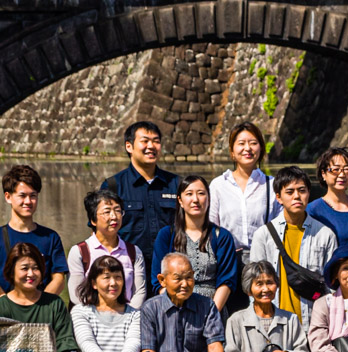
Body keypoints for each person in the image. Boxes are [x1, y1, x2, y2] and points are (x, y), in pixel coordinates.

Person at [249, 169, 338, 322]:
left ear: (309, 193)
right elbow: (254, 283)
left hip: (312, 322)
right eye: (289, 192)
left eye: (302, 191)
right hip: (274, 321)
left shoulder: (325, 235)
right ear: (278, 197)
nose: (297, 196)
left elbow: (332, 286)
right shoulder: (263, 235)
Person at [136, 253, 228, 352]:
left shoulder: (207, 305)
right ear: (162, 280)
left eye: (189, 277)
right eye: (177, 278)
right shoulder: (150, 308)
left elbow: (215, 347)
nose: (184, 284)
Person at [151, 175, 240, 312]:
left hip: (213, 308)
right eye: (189, 194)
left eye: (201, 193)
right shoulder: (167, 235)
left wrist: (211, 315)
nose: (195, 200)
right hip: (174, 309)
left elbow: (226, 281)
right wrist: (176, 308)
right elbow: (158, 281)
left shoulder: (222, 236)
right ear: (180, 200)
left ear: (209, 199)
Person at [0, 164, 66, 302]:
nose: (28, 201)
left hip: (40, 317)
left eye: (33, 196)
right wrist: (9, 305)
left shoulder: (50, 237)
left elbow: (59, 279)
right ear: (8, 197)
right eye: (22, 195)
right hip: (2, 314)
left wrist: (39, 305)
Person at [102, 120, 180, 272]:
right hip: (127, 270)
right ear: (129, 146)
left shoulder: (177, 184)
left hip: (170, 271)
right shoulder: (113, 186)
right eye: (145, 141)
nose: (151, 146)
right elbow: (100, 232)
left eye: (156, 141)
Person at [0, 242, 78, 352]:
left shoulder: (55, 304)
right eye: (24, 268)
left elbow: (64, 347)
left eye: (36, 268)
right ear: (11, 272)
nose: (31, 274)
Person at [67, 189, 148, 311]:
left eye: (117, 210)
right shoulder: (79, 252)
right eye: (107, 212)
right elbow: (76, 295)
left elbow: (139, 292)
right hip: (90, 320)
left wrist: (126, 316)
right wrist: (98, 318)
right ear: (93, 220)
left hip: (126, 320)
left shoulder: (134, 252)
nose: (114, 216)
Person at [209, 122, 273, 248]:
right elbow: (211, 227)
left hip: (263, 259)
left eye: (253, 143)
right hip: (228, 259)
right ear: (232, 151)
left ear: (261, 149)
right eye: (241, 143)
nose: (248, 148)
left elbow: (280, 227)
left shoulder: (271, 185)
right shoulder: (218, 185)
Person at [307, 147, 348, 250]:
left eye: (346, 169)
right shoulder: (313, 210)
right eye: (336, 169)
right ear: (323, 174)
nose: (342, 174)